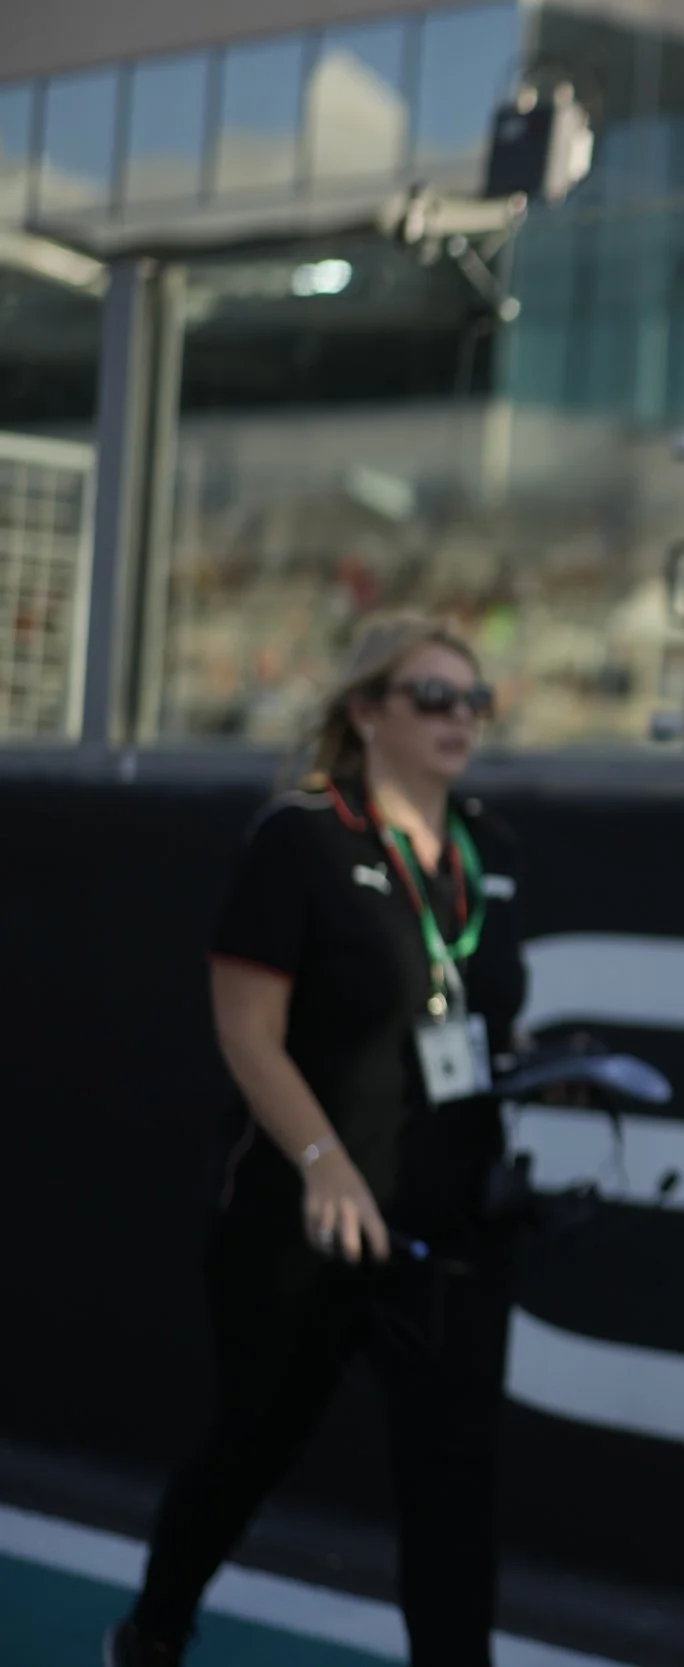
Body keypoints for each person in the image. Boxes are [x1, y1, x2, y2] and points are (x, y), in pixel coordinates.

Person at [111, 619, 526, 1667]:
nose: (457, 717)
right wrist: (322, 1159)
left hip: (447, 1221)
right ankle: (154, 1630)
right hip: (306, 1218)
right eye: (431, 694)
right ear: (365, 709)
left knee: (454, 1481)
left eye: (472, 699)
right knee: (248, 1445)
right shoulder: (300, 837)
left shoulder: (485, 847)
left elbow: (468, 1013)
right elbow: (244, 1028)